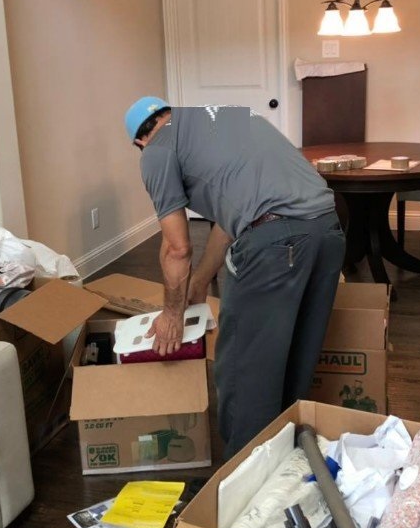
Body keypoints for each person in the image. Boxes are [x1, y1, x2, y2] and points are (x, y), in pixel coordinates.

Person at [124, 97, 345, 459]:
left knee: (245, 369)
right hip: (329, 232)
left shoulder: (156, 150)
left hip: (277, 243)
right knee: (294, 356)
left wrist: (172, 315)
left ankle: (242, 473)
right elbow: (230, 221)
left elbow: (177, 248)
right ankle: (284, 462)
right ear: (170, 112)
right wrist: (199, 283)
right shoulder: (225, 117)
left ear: (139, 141)